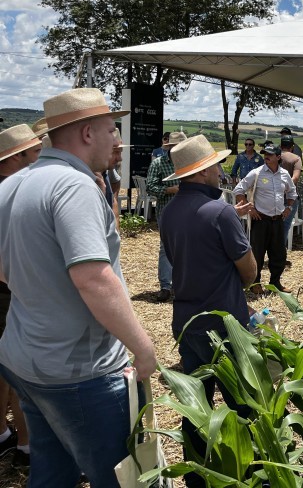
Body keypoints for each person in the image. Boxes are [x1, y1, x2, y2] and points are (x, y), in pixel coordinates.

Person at [0, 88, 157, 487]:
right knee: (122, 477)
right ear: (87, 133)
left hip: (23, 359)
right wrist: (142, 347)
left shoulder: (12, 186)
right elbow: (94, 278)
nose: (117, 139)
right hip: (79, 372)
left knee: (52, 469)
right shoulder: (74, 187)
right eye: (111, 129)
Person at [158, 135, 256, 488]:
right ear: (201, 172)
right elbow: (249, 270)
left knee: (196, 406)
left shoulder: (168, 213)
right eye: (215, 164)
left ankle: (197, 477)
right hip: (226, 323)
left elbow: (174, 259)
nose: (219, 169)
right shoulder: (221, 211)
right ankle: (246, 473)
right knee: (242, 405)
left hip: (187, 323)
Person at [0, 124, 41, 470]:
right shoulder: (14, 196)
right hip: (10, 295)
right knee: (18, 370)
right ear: (14, 159)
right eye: (35, 154)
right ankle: (28, 447)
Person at [233, 144, 297, 293]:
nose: (266, 156)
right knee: (257, 253)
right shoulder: (256, 173)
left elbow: (292, 193)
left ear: (278, 157)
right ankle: (255, 284)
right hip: (260, 220)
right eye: (264, 154)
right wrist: (250, 208)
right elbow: (238, 190)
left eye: (270, 154)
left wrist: (289, 208)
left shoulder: (285, 175)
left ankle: (275, 283)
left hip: (277, 220)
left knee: (279, 254)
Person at [147, 131, 187, 302]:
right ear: (169, 148)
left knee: (187, 247)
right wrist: (170, 190)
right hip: (166, 210)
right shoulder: (158, 163)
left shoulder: (190, 163)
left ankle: (184, 285)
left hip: (188, 211)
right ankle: (165, 286)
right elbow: (150, 187)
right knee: (166, 248)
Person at [279, 136, 303, 247]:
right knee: (285, 226)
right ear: (292, 147)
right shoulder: (296, 158)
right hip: (290, 197)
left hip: (274, 195)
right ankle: (279, 254)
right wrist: (285, 188)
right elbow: (295, 178)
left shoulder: (275, 157)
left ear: (280, 146)